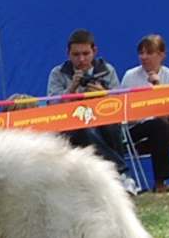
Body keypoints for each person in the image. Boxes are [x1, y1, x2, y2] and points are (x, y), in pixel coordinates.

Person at [46, 29, 130, 179]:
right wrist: (72, 88)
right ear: (68, 53)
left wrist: (104, 94)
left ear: (94, 51)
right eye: (76, 55)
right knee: (83, 130)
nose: (81, 59)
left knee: (112, 127)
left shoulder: (106, 70)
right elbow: (51, 106)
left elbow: (120, 102)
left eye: (86, 54)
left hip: (103, 120)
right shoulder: (58, 73)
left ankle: (117, 173)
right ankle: (120, 171)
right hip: (71, 125)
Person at [121, 34, 169, 191]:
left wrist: (158, 87)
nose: (144, 57)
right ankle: (160, 182)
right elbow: (125, 115)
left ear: (161, 55)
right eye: (141, 53)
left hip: (167, 126)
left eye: (149, 53)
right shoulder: (130, 76)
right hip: (137, 128)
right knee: (157, 125)